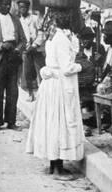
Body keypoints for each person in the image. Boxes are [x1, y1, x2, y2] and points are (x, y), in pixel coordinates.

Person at [25, 12, 84, 180]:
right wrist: (81, 66)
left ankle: (53, 165)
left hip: (50, 86)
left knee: (51, 123)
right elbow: (66, 68)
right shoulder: (61, 39)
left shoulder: (52, 36)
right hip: (59, 86)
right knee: (59, 124)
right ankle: (58, 168)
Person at [0, 0, 27, 130]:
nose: (7, 6)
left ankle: (11, 121)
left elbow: (23, 40)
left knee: (13, 92)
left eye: (9, 4)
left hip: (13, 57)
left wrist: (18, 49)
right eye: (4, 4)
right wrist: (0, 46)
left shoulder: (15, 20)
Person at [17, 0, 39, 100]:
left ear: (28, 8)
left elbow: (41, 33)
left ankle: (42, 94)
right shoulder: (18, 20)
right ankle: (31, 94)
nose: (22, 9)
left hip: (36, 48)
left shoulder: (35, 18)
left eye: (24, 7)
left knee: (39, 70)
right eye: (20, 7)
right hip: (26, 50)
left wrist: (34, 45)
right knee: (27, 72)